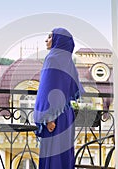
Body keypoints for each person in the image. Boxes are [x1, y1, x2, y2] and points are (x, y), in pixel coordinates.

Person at [33, 28, 85, 169]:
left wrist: (49, 117)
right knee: (63, 155)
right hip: (66, 115)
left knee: (53, 155)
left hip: (54, 118)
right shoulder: (68, 61)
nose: (46, 40)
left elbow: (48, 88)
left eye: (50, 37)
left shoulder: (52, 58)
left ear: (58, 40)